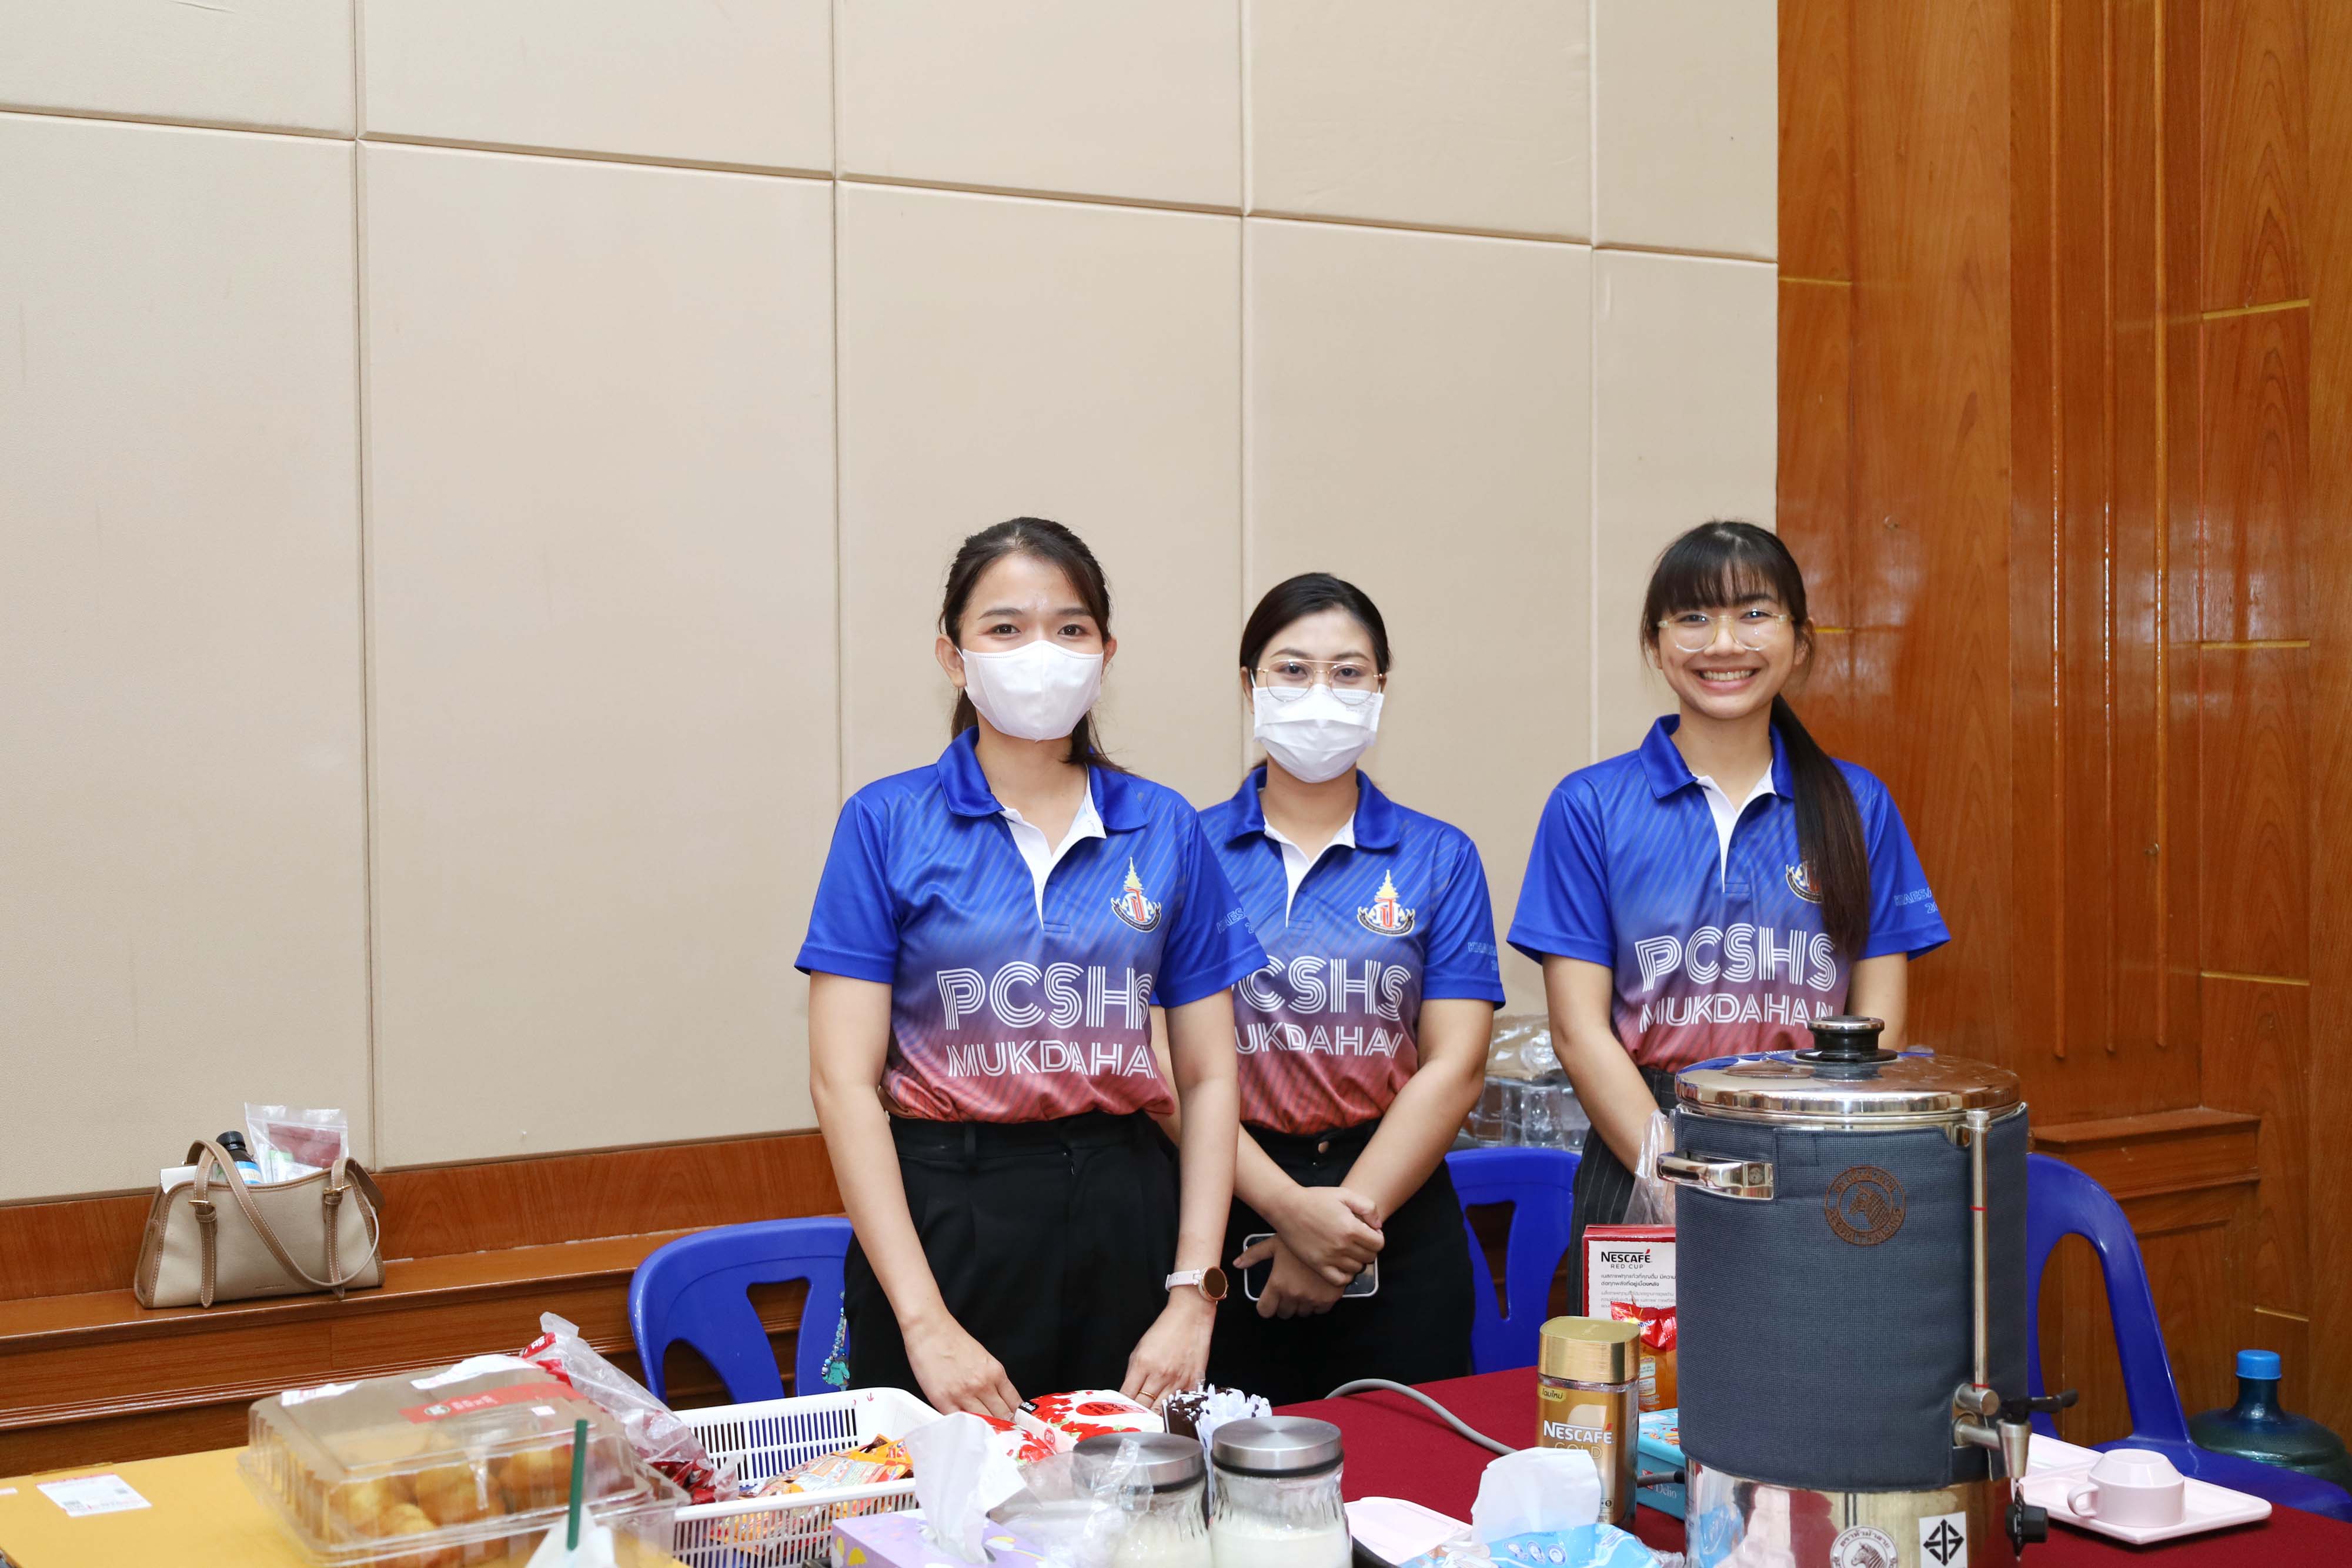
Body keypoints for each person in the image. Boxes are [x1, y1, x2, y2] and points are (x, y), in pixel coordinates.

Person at [799, 517, 1260, 1417]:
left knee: (1132, 1488)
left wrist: (1192, 1298)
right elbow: (841, 1084)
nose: (1039, 652)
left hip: (1127, 1210)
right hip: (947, 1215)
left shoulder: (1164, 826)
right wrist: (925, 1322)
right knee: (948, 1496)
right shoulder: (886, 823)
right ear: (953, 655)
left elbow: (1209, 1077)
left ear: (1106, 654)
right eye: (1005, 628)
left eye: (1069, 627)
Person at [1509, 520, 1950, 1302]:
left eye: (1754, 614)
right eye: (1693, 617)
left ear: (1799, 641)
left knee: (1810, 1365)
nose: (1723, 643)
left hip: (1816, 1147)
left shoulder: (1859, 805)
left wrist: (1809, 1157)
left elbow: (1880, 1031)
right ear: (1655, 645)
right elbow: (1579, 1031)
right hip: (1640, 1139)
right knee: (1634, 1376)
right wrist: (1672, 1173)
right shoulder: (1590, 806)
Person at [1158, 572, 1502, 1406]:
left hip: (1395, 1201)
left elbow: (1456, 1065)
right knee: (1221, 1463)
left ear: (1381, 688)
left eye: (1348, 672)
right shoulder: (1184, 848)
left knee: (1413, 1463)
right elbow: (1161, 1067)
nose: (1321, 692)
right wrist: (1290, 1211)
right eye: (1292, 669)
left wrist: (1339, 1229)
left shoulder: (1441, 857)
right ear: (1249, 686)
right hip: (1224, 1198)